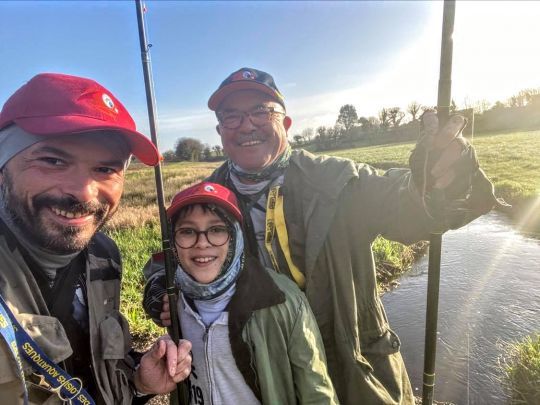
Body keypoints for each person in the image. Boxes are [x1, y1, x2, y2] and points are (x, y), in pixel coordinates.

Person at [144, 68, 499, 404]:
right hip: (258, 369)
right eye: (231, 116)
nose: (246, 124)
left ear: (285, 122)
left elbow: (412, 208)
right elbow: (164, 261)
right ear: (220, 131)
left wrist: (443, 182)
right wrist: (160, 289)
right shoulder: (207, 196)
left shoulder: (339, 179)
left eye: (259, 111)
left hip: (349, 366)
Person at [0, 73, 191, 404]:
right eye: (53, 160)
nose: (84, 193)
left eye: (106, 169)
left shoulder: (103, 255)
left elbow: (93, 373)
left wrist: (138, 383)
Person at [145, 181, 337, 404]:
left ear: (236, 235)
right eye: (187, 231)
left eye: (217, 230)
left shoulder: (283, 300)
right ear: (173, 241)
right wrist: (154, 290)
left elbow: (316, 389)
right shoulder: (174, 296)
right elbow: (154, 268)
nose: (202, 243)